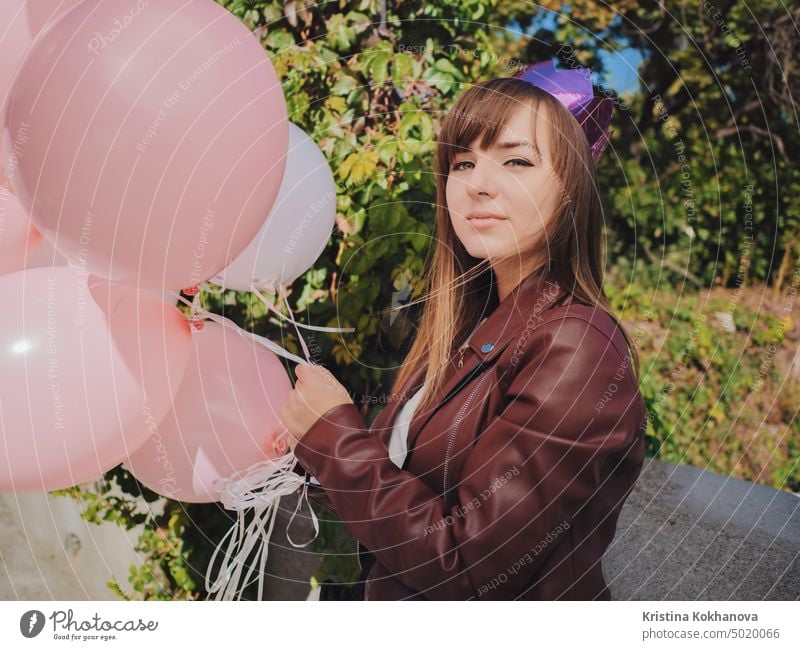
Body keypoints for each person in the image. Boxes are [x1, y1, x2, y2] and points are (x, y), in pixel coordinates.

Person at [280, 62, 647, 600]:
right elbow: (401, 485)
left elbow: (464, 563)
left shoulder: (578, 349)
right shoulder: (469, 330)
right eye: (463, 162)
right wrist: (302, 440)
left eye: (517, 161)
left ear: (572, 189)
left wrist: (333, 437)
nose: (478, 184)